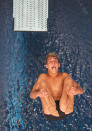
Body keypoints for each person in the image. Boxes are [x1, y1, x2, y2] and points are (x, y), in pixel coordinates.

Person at [30, 53, 84, 121]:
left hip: (66, 109)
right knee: (43, 82)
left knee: (68, 79)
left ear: (58, 65)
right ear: (46, 66)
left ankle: (65, 101)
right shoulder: (42, 77)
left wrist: (75, 91)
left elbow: (81, 90)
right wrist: (39, 93)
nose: (53, 63)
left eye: (55, 61)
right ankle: (48, 98)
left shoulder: (64, 76)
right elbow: (32, 95)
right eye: (50, 61)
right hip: (50, 112)